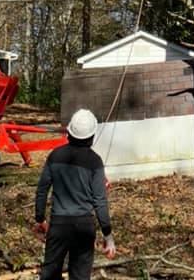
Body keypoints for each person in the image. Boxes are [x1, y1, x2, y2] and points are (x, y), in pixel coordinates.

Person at [34, 108, 116, 280]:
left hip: (59, 225)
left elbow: (42, 189)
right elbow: (100, 201)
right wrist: (108, 235)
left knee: (50, 275)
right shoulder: (95, 161)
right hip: (84, 227)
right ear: (92, 136)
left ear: (69, 132)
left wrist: (40, 219)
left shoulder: (55, 156)